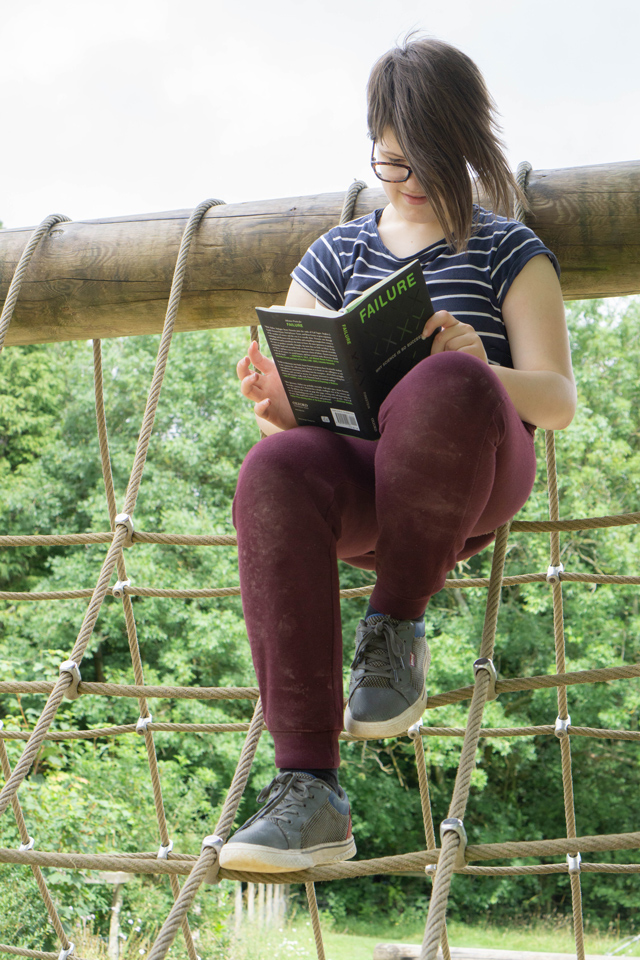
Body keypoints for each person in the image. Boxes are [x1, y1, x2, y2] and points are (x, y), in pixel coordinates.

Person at [219, 36, 576, 874]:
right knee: (270, 467)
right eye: (390, 163)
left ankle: (396, 627)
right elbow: (302, 430)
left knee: (445, 378)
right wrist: (277, 408)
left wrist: (477, 364)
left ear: (467, 143)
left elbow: (557, 399)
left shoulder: (505, 248)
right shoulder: (336, 254)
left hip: (472, 471)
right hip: (363, 481)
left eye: (428, 161)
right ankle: (308, 789)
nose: (409, 181)